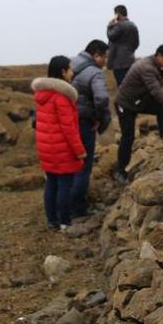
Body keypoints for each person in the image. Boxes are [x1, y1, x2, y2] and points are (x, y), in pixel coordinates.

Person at [114, 43, 163, 183]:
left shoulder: (155, 65)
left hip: (139, 101)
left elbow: (157, 91)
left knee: (161, 107)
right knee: (128, 137)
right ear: (159, 56)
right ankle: (121, 171)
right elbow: (156, 91)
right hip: (125, 104)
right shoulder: (146, 68)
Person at [32, 56, 86, 230]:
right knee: (64, 185)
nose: (72, 72)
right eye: (70, 69)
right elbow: (69, 128)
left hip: (47, 148)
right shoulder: (61, 98)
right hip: (62, 149)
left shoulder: (43, 96)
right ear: (63, 72)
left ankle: (52, 220)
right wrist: (79, 150)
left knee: (51, 184)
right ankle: (65, 221)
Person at [70, 39, 110, 217]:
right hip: (85, 122)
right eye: (104, 57)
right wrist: (99, 118)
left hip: (68, 121)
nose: (105, 62)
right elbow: (101, 98)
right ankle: (78, 209)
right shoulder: (95, 73)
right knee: (83, 166)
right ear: (96, 55)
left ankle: (64, 205)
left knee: (70, 164)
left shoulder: (71, 66)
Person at [106, 4, 139, 86]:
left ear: (117, 14)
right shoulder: (133, 25)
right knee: (130, 83)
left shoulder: (119, 25)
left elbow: (111, 36)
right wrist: (130, 51)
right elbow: (136, 43)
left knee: (121, 85)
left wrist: (109, 26)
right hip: (130, 59)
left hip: (118, 62)